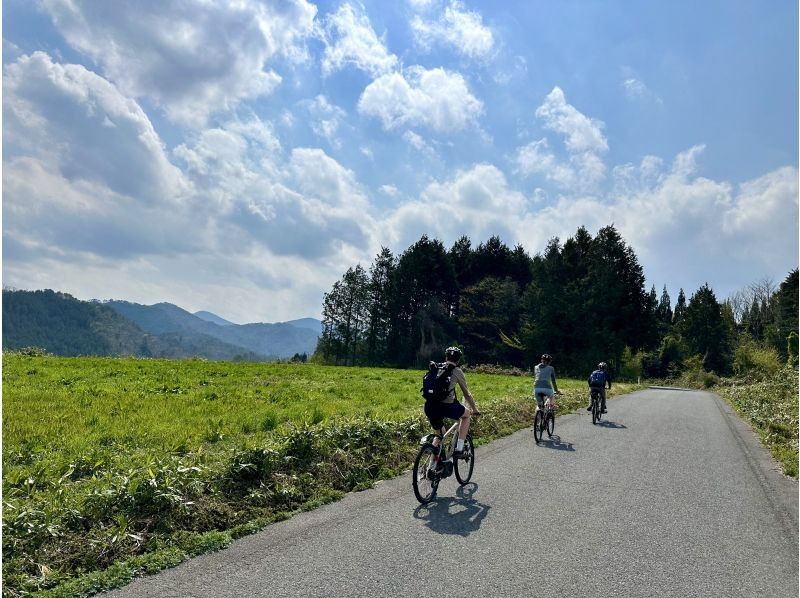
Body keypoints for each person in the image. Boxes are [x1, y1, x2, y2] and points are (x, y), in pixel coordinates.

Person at [423, 346, 480, 466]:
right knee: (466, 415)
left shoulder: (435, 367)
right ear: (458, 360)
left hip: (430, 406)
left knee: (439, 435)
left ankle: (431, 466)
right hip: (447, 407)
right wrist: (474, 409)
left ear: (446, 357)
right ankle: (459, 448)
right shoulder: (457, 371)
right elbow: (467, 394)